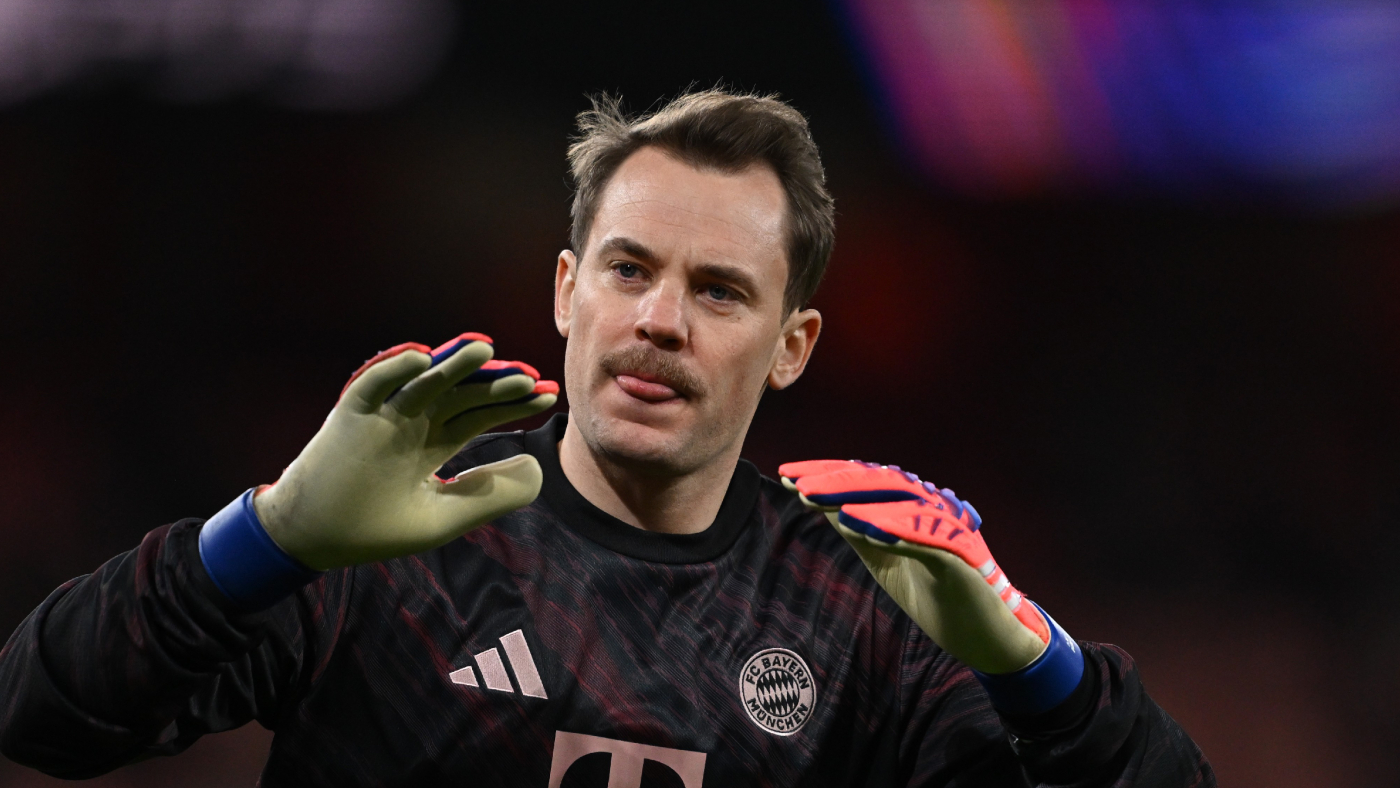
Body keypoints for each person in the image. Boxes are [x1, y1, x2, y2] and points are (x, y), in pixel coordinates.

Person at [0, 89, 1213, 787]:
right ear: (565, 290)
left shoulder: (858, 607)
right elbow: (38, 711)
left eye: (719, 290)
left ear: (791, 345)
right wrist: (264, 539)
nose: (659, 320)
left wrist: (1037, 668)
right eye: (628, 269)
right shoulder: (387, 533)